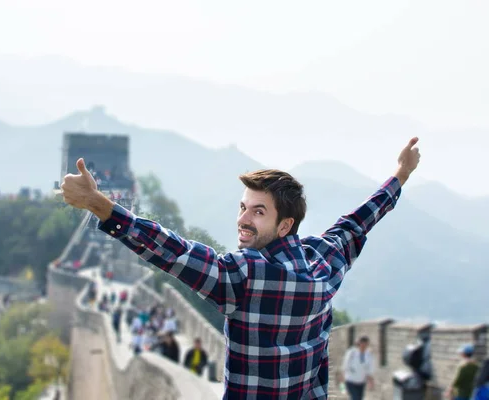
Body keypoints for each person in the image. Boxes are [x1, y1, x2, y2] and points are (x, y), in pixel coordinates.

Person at [60, 137, 421, 399]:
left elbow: (173, 252)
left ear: (284, 225)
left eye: (258, 212)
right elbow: (361, 220)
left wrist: (100, 206)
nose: (243, 220)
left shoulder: (244, 276)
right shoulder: (324, 260)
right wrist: (400, 175)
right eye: (242, 207)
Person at [340, 336, 375, 400]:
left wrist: (371, 382)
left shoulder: (368, 355)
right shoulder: (352, 352)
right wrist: (342, 382)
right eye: (363, 344)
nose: (364, 346)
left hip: (361, 382)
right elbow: (345, 366)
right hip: (351, 381)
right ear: (359, 343)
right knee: (355, 398)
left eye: (366, 344)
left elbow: (369, 369)